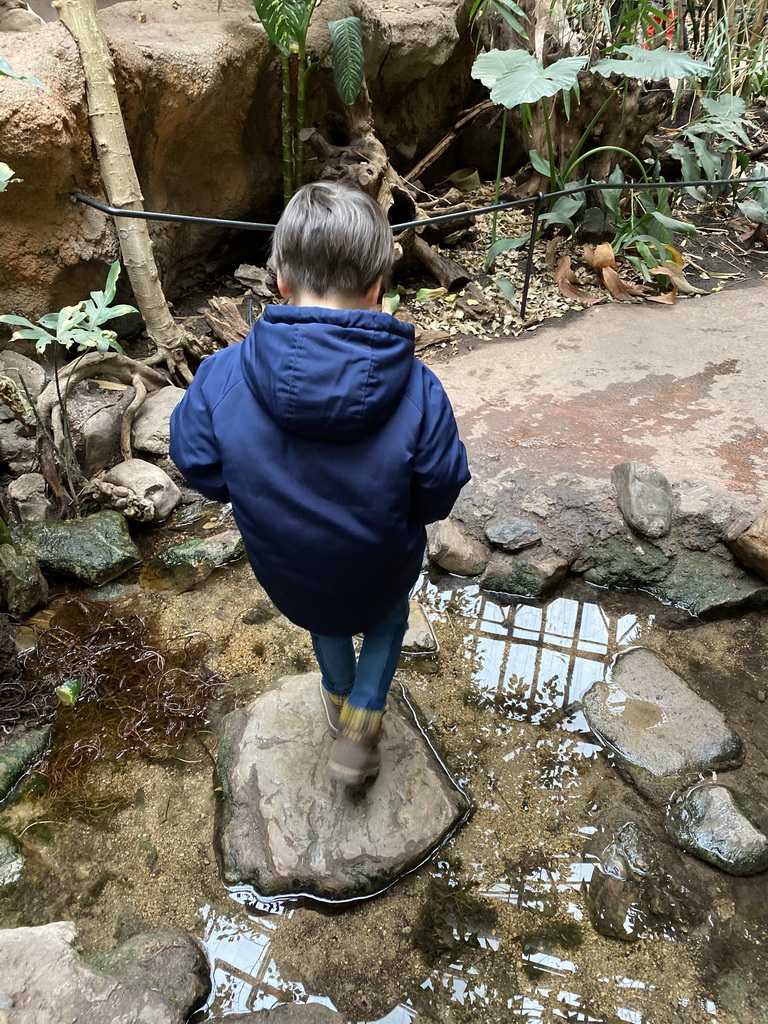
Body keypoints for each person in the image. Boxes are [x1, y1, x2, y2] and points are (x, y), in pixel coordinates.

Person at [169, 180, 470, 786]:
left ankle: (337, 702)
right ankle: (363, 718)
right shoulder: (419, 390)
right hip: (380, 563)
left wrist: (250, 489)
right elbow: (438, 489)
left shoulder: (221, 376)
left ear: (278, 282)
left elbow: (196, 463)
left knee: (325, 618)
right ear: (379, 285)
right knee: (386, 619)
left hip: (290, 572)